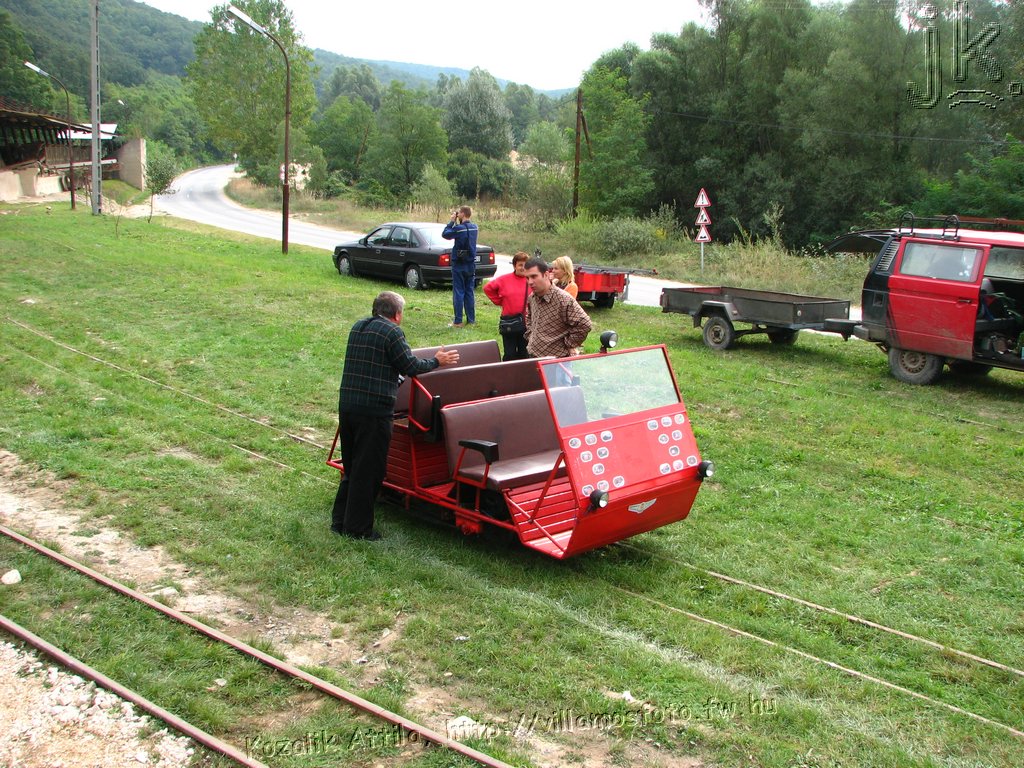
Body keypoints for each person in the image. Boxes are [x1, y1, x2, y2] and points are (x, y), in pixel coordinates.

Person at [332, 291, 459, 540]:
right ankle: (358, 529)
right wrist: (437, 361)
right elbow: (411, 366)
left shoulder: (358, 327)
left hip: (348, 406)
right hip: (374, 412)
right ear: (397, 314)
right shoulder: (392, 332)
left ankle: (339, 521)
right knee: (369, 471)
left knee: (352, 466)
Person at [523, 255, 593, 359]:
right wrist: (530, 335)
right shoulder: (532, 297)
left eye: (534, 276)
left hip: (555, 360)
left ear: (546, 275)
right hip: (533, 354)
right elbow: (529, 317)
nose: (530, 282)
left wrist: (568, 344)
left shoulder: (563, 299)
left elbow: (585, 324)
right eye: (527, 278)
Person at [483, 251, 531, 360]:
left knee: (525, 353)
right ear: (514, 266)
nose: (523, 268)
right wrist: (500, 301)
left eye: (526, 265)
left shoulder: (531, 280)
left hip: (527, 325)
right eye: (520, 265)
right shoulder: (504, 279)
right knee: (509, 354)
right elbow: (488, 288)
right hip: (510, 323)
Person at [442, 205, 478, 328]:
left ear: (462, 214)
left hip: (459, 264)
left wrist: (452, 221)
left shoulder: (458, 229)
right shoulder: (474, 227)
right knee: (469, 291)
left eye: (459, 213)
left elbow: (445, 234)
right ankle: (471, 320)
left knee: (459, 291)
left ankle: (458, 321)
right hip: (470, 264)